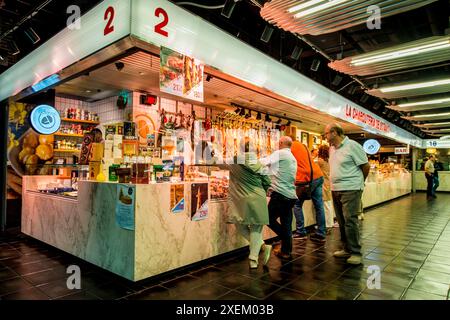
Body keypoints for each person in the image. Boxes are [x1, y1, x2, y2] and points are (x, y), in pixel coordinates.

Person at [324, 123, 370, 265]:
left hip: (351, 188)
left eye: (325, 134)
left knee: (350, 220)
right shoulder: (332, 149)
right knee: (342, 221)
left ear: (334, 133)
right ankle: (347, 248)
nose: (325, 137)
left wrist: (360, 183)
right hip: (335, 188)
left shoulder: (353, 146)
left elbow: (365, 166)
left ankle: (356, 252)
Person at [225, 138, 272, 269]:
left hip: (240, 199)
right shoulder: (259, 164)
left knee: (240, 225)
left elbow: (216, 163)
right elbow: (267, 182)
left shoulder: (233, 161)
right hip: (257, 198)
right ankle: (254, 257)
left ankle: (258, 251)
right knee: (256, 228)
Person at [260, 136, 298, 259]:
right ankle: (286, 251)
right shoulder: (292, 157)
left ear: (281, 143)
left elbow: (262, 163)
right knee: (286, 223)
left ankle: (285, 240)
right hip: (290, 195)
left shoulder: (280, 153)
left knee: (268, 218)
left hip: (280, 194)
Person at [291, 138, 327, 243]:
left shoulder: (289, 147)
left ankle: (301, 232)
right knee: (319, 205)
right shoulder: (303, 146)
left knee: (297, 204)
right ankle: (321, 233)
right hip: (318, 175)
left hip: (306, 178)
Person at [317, 145, 335, 232]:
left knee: (325, 205)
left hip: (323, 184)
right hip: (329, 183)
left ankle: (327, 224)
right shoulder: (330, 160)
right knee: (328, 204)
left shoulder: (320, 161)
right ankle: (330, 222)